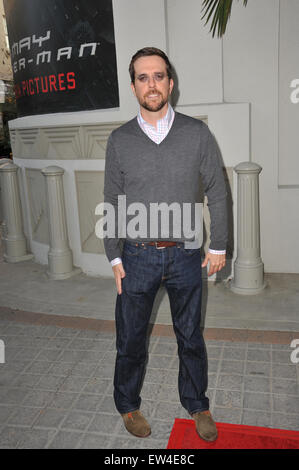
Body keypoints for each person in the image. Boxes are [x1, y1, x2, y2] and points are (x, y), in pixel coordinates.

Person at [103, 47, 227, 442]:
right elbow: (111, 200)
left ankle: (197, 403)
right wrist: (114, 253)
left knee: (190, 335)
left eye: (158, 76)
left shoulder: (197, 133)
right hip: (136, 257)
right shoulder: (119, 140)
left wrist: (219, 245)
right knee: (131, 338)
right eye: (143, 77)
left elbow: (218, 191)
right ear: (135, 87)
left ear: (170, 83)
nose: (151, 84)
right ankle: (128, 404)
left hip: (186, 255)